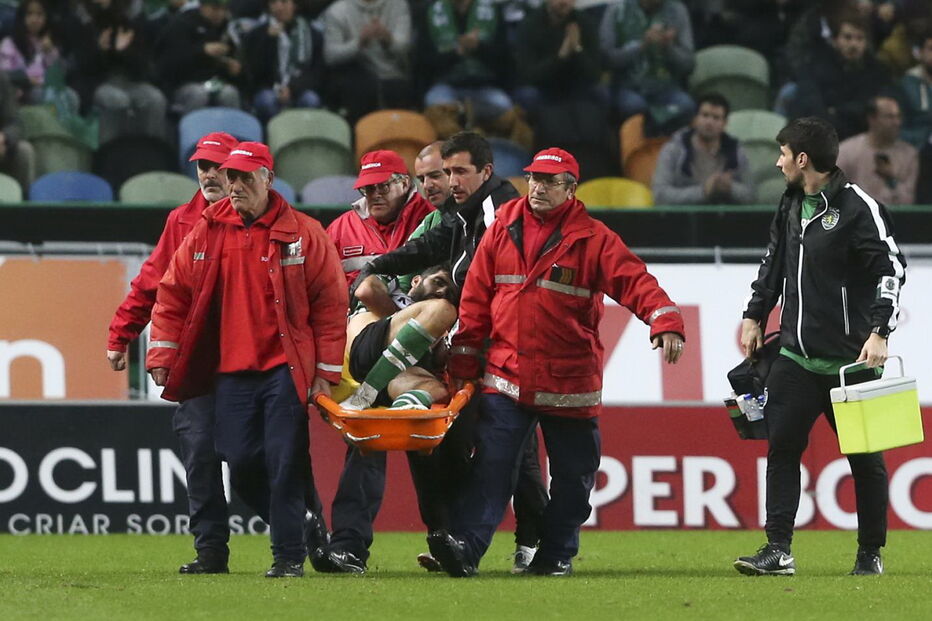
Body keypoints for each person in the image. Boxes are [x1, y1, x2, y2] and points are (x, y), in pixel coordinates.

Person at [430, 147, 686, 577]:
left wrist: (665, 321)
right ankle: (466, 549)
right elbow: (475, 301)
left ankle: (556, 554)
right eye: (534, 178)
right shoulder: (502, 227)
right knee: (491, 466)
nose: (538, 187)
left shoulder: (594, 239)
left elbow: (636, 282)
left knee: (573, 478)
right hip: (508, 374)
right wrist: (465, 363)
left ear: (571, 189)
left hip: (569, 380)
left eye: (550, 181)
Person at [350, 131, 549, 573]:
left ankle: (533, 541)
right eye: (445, 172)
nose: (449, 181)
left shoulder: (499, 210)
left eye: (457, 172)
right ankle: (453, 539)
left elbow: (492, 280)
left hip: (496, 346)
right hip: (464, 343)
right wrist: (379, 265)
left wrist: (468, 334)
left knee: (510, 447)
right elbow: (431, 248)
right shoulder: (461, 214)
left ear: (486, 171)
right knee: (453, 442)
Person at [147, 141, 347, 578]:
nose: (234, 186)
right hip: (231, 371)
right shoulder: (207, 228)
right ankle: (303, 526)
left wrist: (325, 373)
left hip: (284, 367)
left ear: (268, 179)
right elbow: (172, 293)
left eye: (244, 178)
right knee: (239, 463)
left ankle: (288, 558)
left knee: (284, 461)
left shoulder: (304, 232)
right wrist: (162, 350)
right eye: (231, 177)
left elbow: (331, 305)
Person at [735, 117, 906, 577]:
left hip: (852, 362)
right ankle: (778, 550)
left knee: (865, 462)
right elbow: (774, 261)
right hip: (795, 357)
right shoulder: (791, 202)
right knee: (782, 449)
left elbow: (892, 269)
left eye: (783, 154)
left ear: (803, 159)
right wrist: (755, 314)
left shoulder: (859, 208)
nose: (778, 163)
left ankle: (869, 554)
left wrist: (880, 331)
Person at [107, 132, 237, 574]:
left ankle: (301, 537)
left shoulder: (259, 219)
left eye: (218, 167)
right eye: (203, 166)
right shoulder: (181, 221)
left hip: (253, 358)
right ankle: (210, 551)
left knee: (257, 457)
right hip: (198, 359)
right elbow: (151, 283)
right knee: (199, 451)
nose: (209, 175)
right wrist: (122, 334)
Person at [311, 264, 460, 574]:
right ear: (415, 279)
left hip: (388, 378)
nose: (442, 289)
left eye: (447, 287)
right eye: (437, 281)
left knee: (432, 396)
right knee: (441, 310)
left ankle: (350, 550)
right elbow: (365, 289)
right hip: (360, 355)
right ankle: (349, 544)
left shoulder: (431, 323)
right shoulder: (404, 295)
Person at [326, 149, 435, 291]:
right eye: (369, 188)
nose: (375, 195)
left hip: (417, 302)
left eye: (383, 186)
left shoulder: (430, 217)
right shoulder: (340, 229)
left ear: (405, 184)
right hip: (354, 303)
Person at [68, 0, 167, 144]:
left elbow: (142, 64)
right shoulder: (81, 21)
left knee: (155, 99)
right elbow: (81, 67)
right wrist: (100, 49)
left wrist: (123, 51)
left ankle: (150, 150)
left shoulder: (130, 19)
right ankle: (111, 151)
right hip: (96, 83)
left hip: (130, 80)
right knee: (116, 100)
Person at [789, 11, 891, 141]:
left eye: (860, 39)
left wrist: (837, 111)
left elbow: (868, 109)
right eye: (847, 38)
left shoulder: (877, 72)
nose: (854, 44)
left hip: (859, 139)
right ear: (835, 40)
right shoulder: (816, 65)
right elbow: (810, 104)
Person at [599, 0, 695, 124]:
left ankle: (657, 130)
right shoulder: (617, 9)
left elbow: (689, 65)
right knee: (636, 107)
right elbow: (606, 60)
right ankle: (648, 130)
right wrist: (641, 46)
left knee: (686, 105)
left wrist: (668, 48)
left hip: (665, 88)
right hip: (627, 87)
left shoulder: (677, 10)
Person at [420, 0, 512, 126]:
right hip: (446, 86)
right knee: (436, 105)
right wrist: (457, 53)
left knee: (504, 106)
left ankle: (466, 115)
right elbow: (424, 62)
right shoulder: (431, 12)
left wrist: (478, 48)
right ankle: (466, 117)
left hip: (484, 87)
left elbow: (504, 59)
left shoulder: (493, 11)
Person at [652, 92, 755, 205]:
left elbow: (751, 196)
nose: (709, 122)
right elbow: (660, 195)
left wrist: (730, 187)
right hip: (683, 215)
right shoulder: (673, 150)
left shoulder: (736, 151)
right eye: (705, 115)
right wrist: (703, 192)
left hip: (724, 214)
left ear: (724, 124)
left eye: (716, 118)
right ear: (695, 119)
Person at [322, 0, 413, 123]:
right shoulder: (336, 11)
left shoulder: (399, 4)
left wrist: (388, 40)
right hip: (356, 80)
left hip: (395, 76)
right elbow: (330, 56)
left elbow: (405, 48)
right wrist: (359, 43)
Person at [241, 0, 324, 123]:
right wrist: (268, 41)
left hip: (299, 87)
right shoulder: (256, 34)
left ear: (294, 5)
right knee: (266, 101)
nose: (279, 7)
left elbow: (316, 71)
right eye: (273, 2)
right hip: (268, 88)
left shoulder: (311, 34)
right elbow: (253, 72)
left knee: (311, 100)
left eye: (284, 2)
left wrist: (292, 88)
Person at [155, 0, 243, 114]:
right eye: (215, 9)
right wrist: (202, 51)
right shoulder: (182, 23)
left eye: (224, 9)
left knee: (230, 93)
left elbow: (236, 63)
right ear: (202, 7)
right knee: (198, 94)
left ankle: (229, 126)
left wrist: (230, 67)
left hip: (211, 81)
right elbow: (169, 63)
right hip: (180, 83)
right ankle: (190, 125)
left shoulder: (226, 28)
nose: (220, 14)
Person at [836, 96, 917, 205]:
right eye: (890, 117)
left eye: (898, 116)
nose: (897, 122)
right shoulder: (847, 151)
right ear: (872, 119)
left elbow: (907, 202)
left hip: (894, 214)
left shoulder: (909, 154)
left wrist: (892, 180)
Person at [898, 29, 932, 148]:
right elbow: (898, 128)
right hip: (916, 148)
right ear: (920, 52)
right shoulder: (906, 85)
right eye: (931, 49)